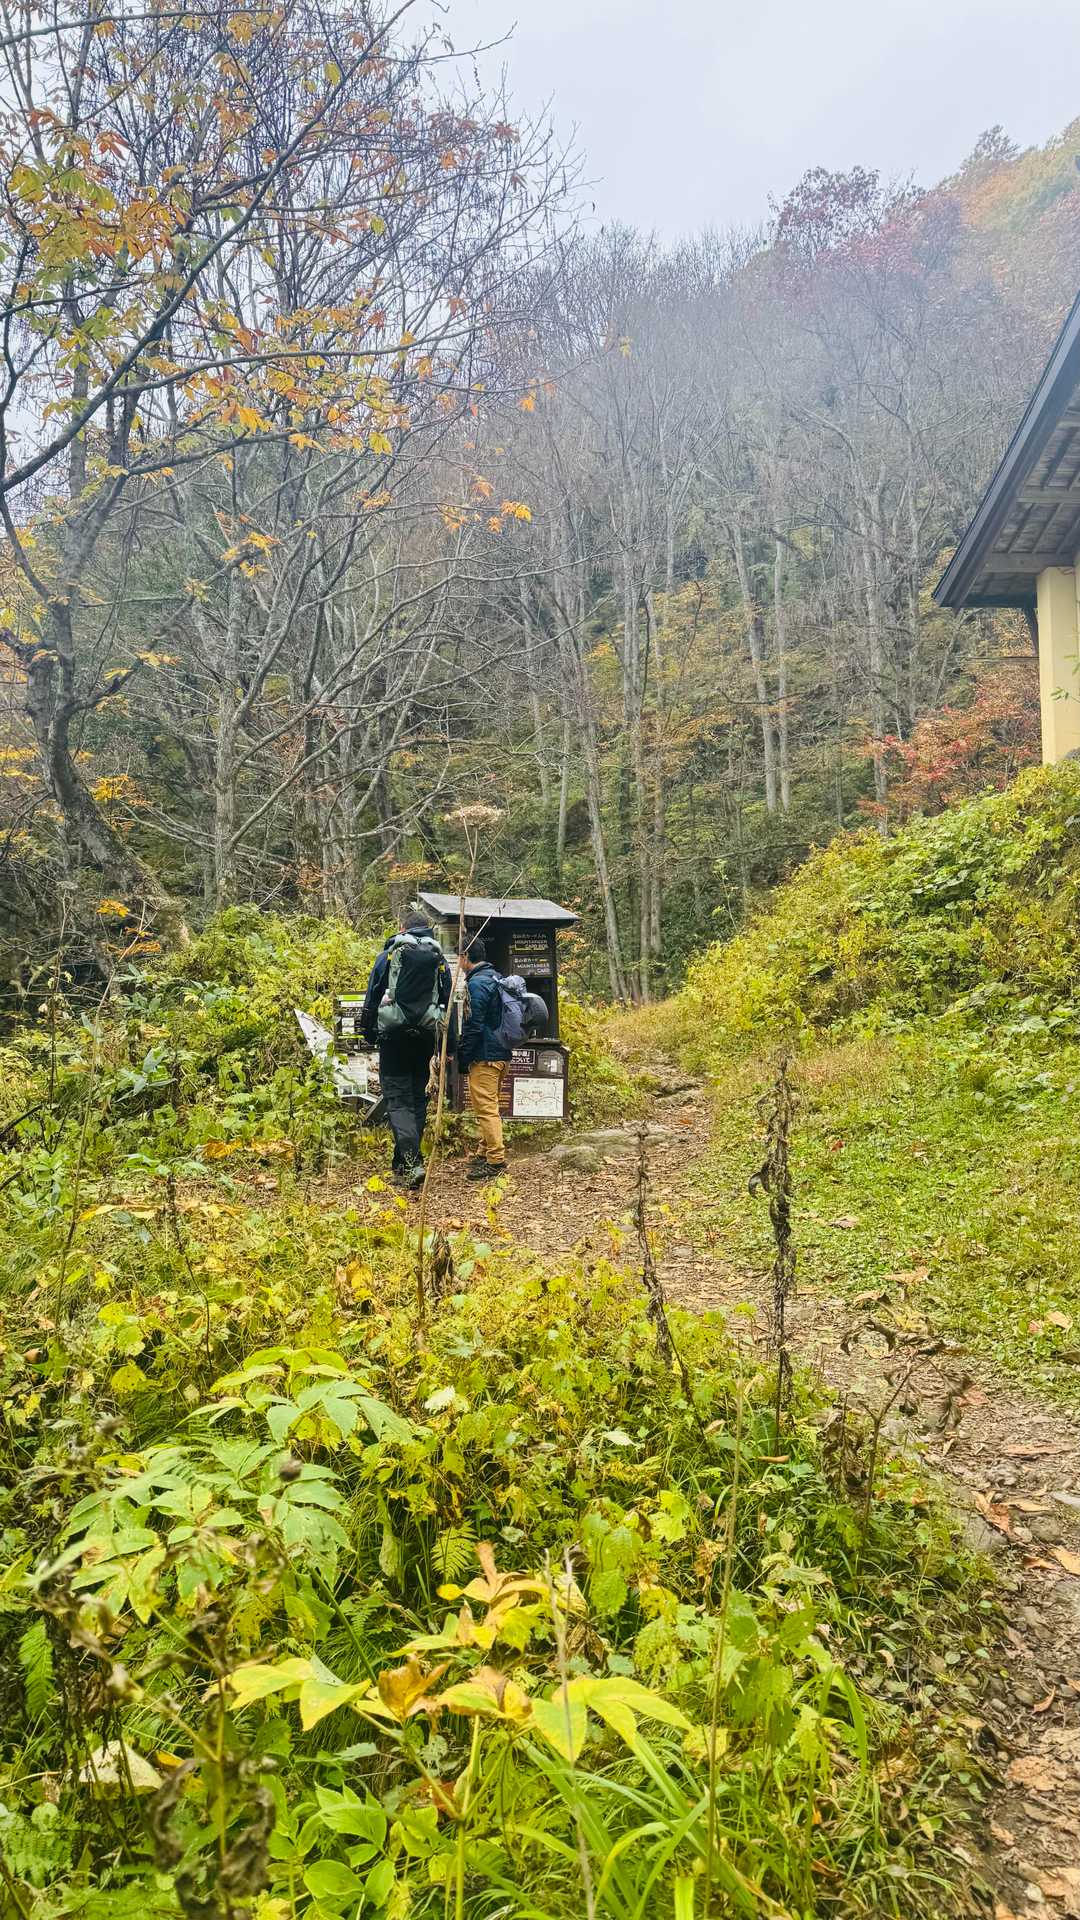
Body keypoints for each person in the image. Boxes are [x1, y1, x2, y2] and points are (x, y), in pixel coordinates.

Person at [361, 916, 451, 1189]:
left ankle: (412, 1163)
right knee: (417, 1099)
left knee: (398, 1100)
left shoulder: (389, 955)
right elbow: (447, 1000)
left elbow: (372, 995)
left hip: (394, 1036)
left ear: (403, 929)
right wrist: (448, 1043)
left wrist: (369, 1032)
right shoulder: (438, 958)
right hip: (425, 1036)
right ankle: (402, 1167)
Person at [458, 937, 512, 1179]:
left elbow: (473, 1025)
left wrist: (463, 1056)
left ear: (465, 957)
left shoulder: (477, 983)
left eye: (459, 957)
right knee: (488, 1105)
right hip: (501, 1053)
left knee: (487, 1109)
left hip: (486, 1056)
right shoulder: (495, 977)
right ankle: (484, 1152)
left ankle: (496, 1161)